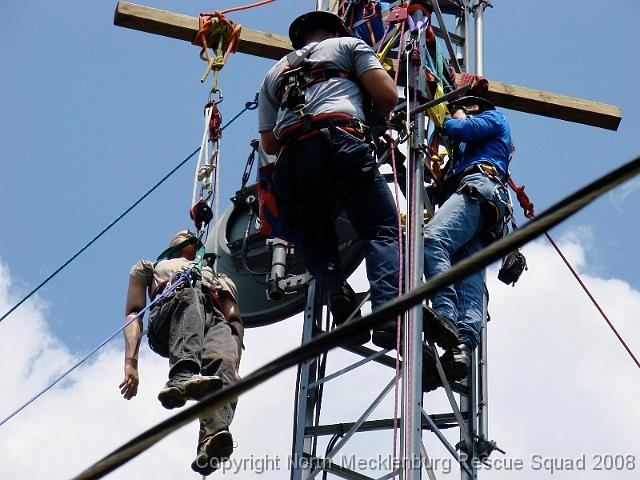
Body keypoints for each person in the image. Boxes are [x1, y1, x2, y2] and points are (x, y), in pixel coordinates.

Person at [258, 11, 400, 341]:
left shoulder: (274, 73)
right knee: (381, 229)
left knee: (316, 238)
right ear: (336, 31)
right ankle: (386, 316)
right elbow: (388, 96)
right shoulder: (349, 45)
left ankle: (337, 292)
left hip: (294, 161)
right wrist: (370, 118)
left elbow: (269, 142)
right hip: (341, 141)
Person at [119, 230, 243, 476]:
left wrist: (236, 363)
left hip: (212, 320)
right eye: (179, 233)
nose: (186, 232)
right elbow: (134, 312)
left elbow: (234, 319)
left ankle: (212, 438)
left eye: (189, 233)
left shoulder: (218, 277)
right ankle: (181, 376)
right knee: (190, 292)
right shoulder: (152, 267)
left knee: (224, 358)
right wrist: (131, 362)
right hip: (170, 315)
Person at [422, 96, 512, 388]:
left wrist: (449, 118)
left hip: (481, 189)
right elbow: (438, 193)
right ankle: (460, 348)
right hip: (486, 206)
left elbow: (463, 130)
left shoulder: (494, 120)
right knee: (469, 277)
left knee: (433, 239)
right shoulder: (465, 158)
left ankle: (445, 313)